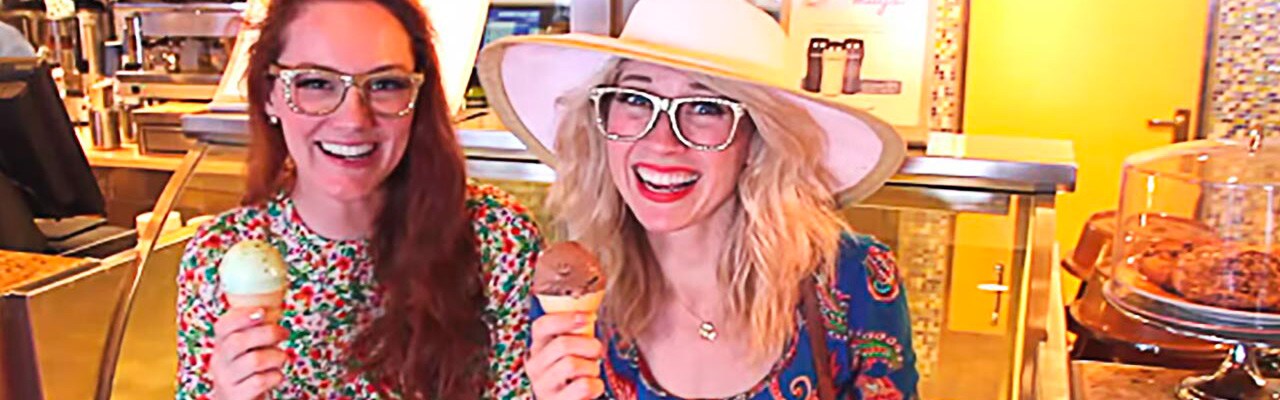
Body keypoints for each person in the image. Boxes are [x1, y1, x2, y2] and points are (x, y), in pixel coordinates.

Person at [478, 0, 918, 399]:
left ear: (759, 140)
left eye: (706, 107)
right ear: (600, 121)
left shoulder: (854, 283)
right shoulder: (573, 293)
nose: (662, 141)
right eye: (634, 98)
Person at [176, 0, 539, 398]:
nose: (353, 119)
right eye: (315, 83)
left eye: (385, 84)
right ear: (269, 95)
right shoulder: (217, 256)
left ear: (418, 99)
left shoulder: (498, 239)